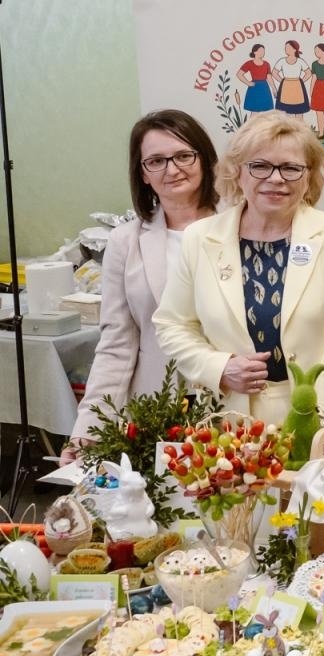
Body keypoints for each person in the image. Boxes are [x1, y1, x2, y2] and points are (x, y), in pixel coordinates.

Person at [155, 111, 324, 429]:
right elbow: (172, 325)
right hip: (229, 424)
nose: (276, 178)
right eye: (260, 166)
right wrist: (219, 368)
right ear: (237, 173)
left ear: (308, 176)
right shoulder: (200, 239)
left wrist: (317, 419)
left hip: (319, 417)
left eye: (291, 168)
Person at [63, 110, 220, 463]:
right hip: (155, 412)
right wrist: (87, 430)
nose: (172, 169)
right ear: (143, 174)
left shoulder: (242, 227)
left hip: (232, 407)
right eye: (156, 161)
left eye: (183, 155)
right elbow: (116, 345)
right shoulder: (125, 241)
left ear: (205, 159)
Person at [272, 40, 312, 117]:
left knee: (299, 110)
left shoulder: (300, 61)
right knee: (286, 111)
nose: (286, 49)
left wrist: (301, 81)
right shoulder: (282, 61)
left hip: (298, 87)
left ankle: (300, 128)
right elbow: (274, 72)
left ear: (295, 49)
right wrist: (282, 81)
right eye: (285, 47)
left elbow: (308, 73)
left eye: (288, 47)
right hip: (285, 87)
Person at [237, 44, 274, 119]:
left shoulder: (266, 64)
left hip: (264, 88)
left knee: (266, 112)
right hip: (254, 88)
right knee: (254, 112)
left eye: (263, 51)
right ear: (254, 52)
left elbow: (269, 77)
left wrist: (274, 89)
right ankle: (250, 129)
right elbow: (239, 74)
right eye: (260, 51)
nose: (262, 52)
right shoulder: (249, 63)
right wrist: (248, 83)